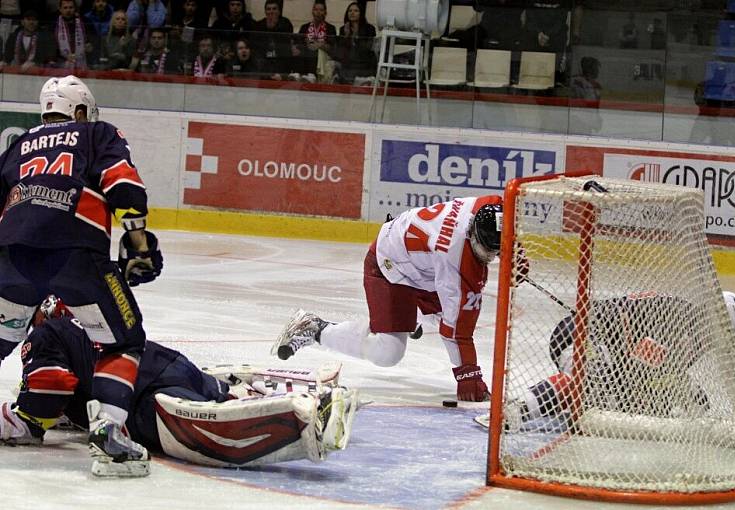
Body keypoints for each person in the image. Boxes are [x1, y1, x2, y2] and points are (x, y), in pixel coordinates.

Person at [0, 75, 163, 476]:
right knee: (123, 341)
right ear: (77, 111)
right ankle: (110, 436)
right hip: (76, 251)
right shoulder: (96, 133)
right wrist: (138, 239)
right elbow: (121, 181)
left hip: (13, 253)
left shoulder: (19, 144)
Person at [0, 296, 359, 471]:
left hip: (144, 398)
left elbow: (52, 386)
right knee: (222, 396)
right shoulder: (94, 323)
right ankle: (301, 389)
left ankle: (311, 417)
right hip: (170, 364)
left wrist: (17, 420)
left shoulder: (46, 335)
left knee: (213, 428)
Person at [272, 196, 504, 402]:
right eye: (487, 251)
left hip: (421, 264)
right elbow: (457, 331)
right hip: (390, 266)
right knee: (389, 352)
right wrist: (468, 375)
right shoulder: (455, 257)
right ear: (471, 233)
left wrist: (517, 255)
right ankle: (315, 328)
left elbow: (505, 229)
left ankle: (414, 317)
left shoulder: (490, 206)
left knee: (447, 312)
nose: (490, 257)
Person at [477, 291, 735, 430]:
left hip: (598, 341)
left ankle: (545, 403)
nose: (723, 343)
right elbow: (641, 367)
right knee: (587, 384)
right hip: (580, 335)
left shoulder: (690, 327)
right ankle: (513, 410)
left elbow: (649, 370)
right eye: (725, 334)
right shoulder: (680, 324)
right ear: (716, 321)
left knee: (609, 399)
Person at [291, 0, 335, 82]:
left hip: (321, 56)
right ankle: (297, 73)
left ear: (325, 12)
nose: (318, 12)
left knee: (315, 49)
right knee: (302, 48)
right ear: (312, 11)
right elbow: (297, 43)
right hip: (305, 53)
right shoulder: (304, 27)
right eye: (316, 9)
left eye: (321, 10)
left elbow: (332, 48)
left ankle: (311, 74)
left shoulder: (331, 28)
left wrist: (319, 45)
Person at [335, 1, 376, 84]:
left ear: (361, 13)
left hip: (364, 61)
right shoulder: (343, 29)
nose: (352, 13)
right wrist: (346, 36)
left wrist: (356, 36)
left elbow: (368, 47)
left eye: (356, 11)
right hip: (349, 63)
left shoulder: (369, 28)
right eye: (350, 11)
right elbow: (341, 50)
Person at [252, 0, 294, 79]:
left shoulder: (285, 23)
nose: (271, 11)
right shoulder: (258, 25)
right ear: (265, 11)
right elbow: (256, 47)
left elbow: (286, 45)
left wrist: (274, 27)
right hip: (264, 61)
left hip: (281, 61)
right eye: (268, 9)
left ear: (279, 11)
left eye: (274, 9)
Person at [54, 0, 92, 70]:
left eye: (71, 7)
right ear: (60, 9)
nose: (68, 10)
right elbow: (51, 47)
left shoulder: (84, 22)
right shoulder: (54, 23)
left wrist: (89, 45)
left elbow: (91, 41)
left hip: (81, 62)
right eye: (65, 8)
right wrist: (64, 57)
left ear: (75, 9)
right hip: (61, 63)